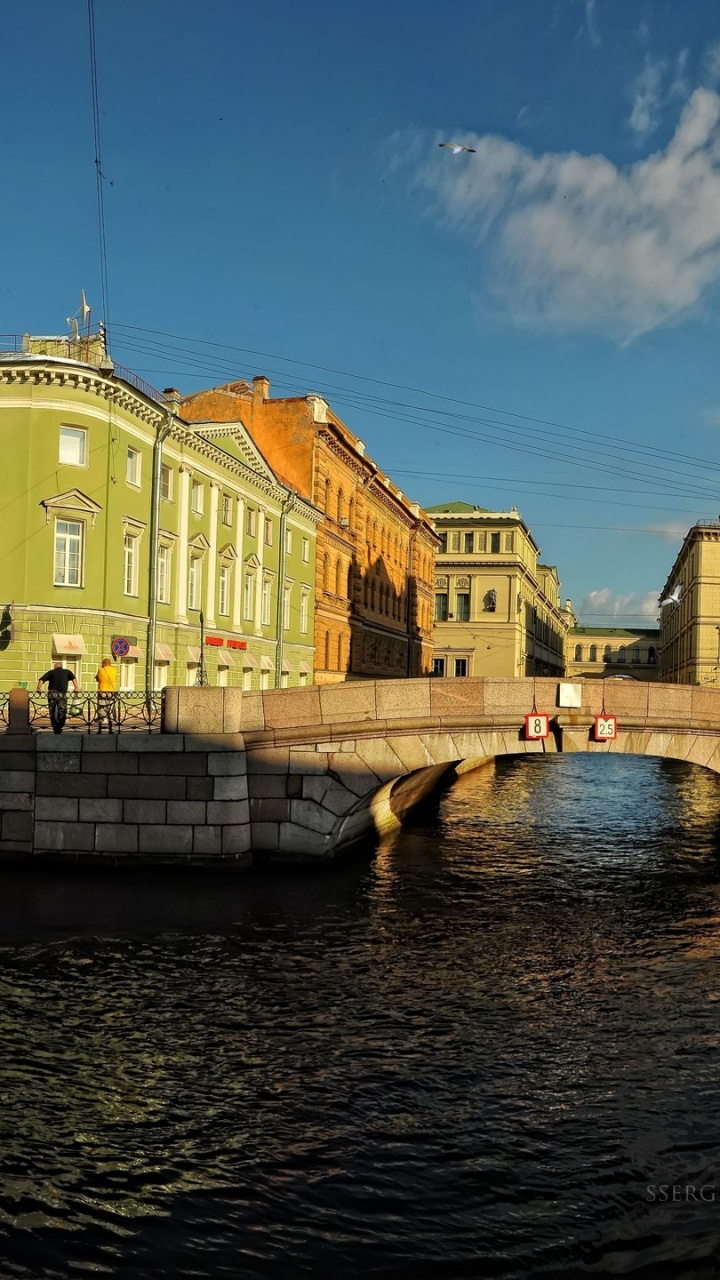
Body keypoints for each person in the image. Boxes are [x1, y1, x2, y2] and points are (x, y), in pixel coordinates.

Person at [36, 662, 79, 735]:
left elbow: (41, 680)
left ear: (55, 666)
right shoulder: (67, 671)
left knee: (52, 710)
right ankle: (60, 726)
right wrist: (76, 687)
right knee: (62, 710)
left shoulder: (51, 672)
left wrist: (38, 688)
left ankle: (55, 727)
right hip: (62, 694)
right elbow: (74, 679)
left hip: (52, 693)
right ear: (61, 666)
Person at [94, 657, 117, 733]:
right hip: (111, 693)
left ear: (104, 663)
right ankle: (111, 730)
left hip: (102, 692)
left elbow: (97, 679)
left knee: (101, 710)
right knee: (109, 711)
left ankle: (99, 730)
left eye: (102, 663)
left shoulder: (101, 670)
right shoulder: (114, 670)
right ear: (110, 664)